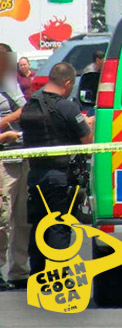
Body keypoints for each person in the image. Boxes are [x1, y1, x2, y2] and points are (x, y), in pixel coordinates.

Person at [19, 62, 94, 275]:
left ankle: (39, 274)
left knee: (39, 225)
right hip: (61, 176)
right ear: (68, 83)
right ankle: (58, 275)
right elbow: (88, 140)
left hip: (35, 175)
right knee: (60, 225)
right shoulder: (67, 107)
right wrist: (89, 124)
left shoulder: (30, 106)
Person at [0, 44, 29, 290]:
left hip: (22, 156)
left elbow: (26, 109)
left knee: (23, 217)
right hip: (2, 161)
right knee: (2, 217)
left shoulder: (12, 86)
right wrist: (10, 123)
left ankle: (19, 270)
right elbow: (18, 114)